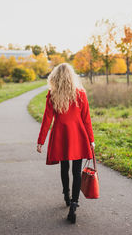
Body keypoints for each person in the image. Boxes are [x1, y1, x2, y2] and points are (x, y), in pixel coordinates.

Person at [37, 63, 95, 224]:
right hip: (78, 136)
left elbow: (47, 120)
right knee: (76, 171)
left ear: (55, 77)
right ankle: (74, 204)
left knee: (64, 167)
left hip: (61, 136)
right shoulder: (80, 94)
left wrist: (40, 141)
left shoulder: (52, 94)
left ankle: (66, 195)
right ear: (72, 76)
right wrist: (91, 140)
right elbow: (86, 120)